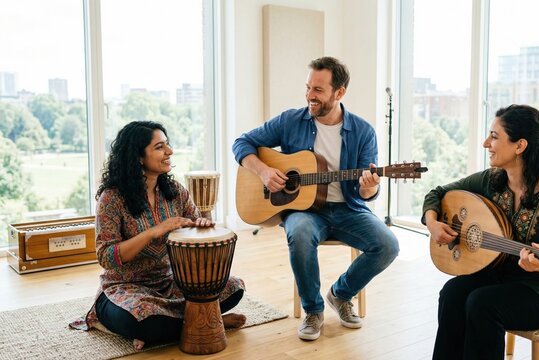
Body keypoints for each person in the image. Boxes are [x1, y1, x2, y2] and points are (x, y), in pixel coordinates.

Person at [232, 56, 399, 341]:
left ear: (340, 93)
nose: (310, 95)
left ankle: (341, 294)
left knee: (388, 245)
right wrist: (262, 171)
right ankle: (313, 310)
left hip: (348, 208)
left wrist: (370, 187)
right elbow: (241, 142)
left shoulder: (363, 132)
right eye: (308, 87)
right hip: (305, 210)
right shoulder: (290, 120)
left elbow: (365, 192)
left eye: (318, 90)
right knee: (299, 233)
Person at [70, 121, 246, 350]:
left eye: (168, 145)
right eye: (160, 147)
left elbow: (192, 227)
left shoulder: (175, 192)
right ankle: (208, 321)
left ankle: (185, 324)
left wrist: (201, 225)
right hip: (125, 288)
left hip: (171, 282)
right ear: (138, 157)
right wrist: (153, 232)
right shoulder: (112, 198)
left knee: (234, 287)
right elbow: (106, 256)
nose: (169, 152)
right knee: (144, 318)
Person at [422, 104, 539, 359]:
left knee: (482, 304)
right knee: (452, 293)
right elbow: (437, 193)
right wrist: (432, 222)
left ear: (520, 146)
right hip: (500, 277)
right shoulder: (491, 181)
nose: (486, 143)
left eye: (494, 137)